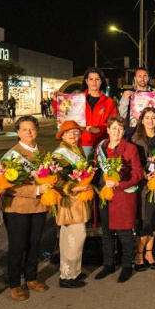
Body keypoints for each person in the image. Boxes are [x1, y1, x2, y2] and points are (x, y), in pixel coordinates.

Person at [0, 116, 49, 301]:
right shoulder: (11, 156)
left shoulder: (43, 152)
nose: (29, 132)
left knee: (34, 244)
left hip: (39, 207)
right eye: (24, 129)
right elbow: (8, 186)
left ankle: (31, 278)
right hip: (17, 208)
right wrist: (36, 190)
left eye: (32, 129)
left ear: (37, 130)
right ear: (18, 132)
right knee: (17, 246)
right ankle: (14, 284)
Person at [93, 116, 144, 282]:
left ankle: (127, 266)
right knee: (107, 232)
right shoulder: (100, 147)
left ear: (124, 132)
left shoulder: (130, 148)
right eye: (114, 128)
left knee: (124, 233)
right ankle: (108, 264)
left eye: (120, 129)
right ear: (108, 130)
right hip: (105, 195)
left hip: (123, 196)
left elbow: (138, 174)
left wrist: (119, 184)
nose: (117, 132)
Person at [51, 121, 91, 288]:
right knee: (72, 238)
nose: (73, 136)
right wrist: (74, 188)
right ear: (63, 136)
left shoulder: (76, 149)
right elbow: (56, 181)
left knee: (78, 236)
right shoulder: (60, 154)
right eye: (69, 133)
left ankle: (75, 271)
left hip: (78, 200)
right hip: (69, 201)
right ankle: (67, 276)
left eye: (76, 132)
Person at [131, 107, 155, 271]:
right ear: (142, 120)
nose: (150, 121)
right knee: (145, 220)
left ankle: (149, 253)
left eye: (153, 118)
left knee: (153, 219)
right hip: (143, 185)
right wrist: (144, 175)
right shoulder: (135, 138)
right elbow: (132, 162)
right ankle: (139, 254)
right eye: (147, 118)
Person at [80, 67, 117, 157]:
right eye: (91, 79)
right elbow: (65, 115)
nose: (94, 82)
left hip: (102, 143)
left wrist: (99, 129)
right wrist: (56, 101)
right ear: (86, 81)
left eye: (97, 79)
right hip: (83, 142)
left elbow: (113, 122)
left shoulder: (108, 101)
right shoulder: (78, 99)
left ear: (101, 81)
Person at [118, 67, 155, 138]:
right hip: (131, 132)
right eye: (139, 76)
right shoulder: (128, 94)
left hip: (149, 131)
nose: (142, 79)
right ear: (135, 78)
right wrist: (125, 99)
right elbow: (122, 114)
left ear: (148, 78)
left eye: (145, 76)